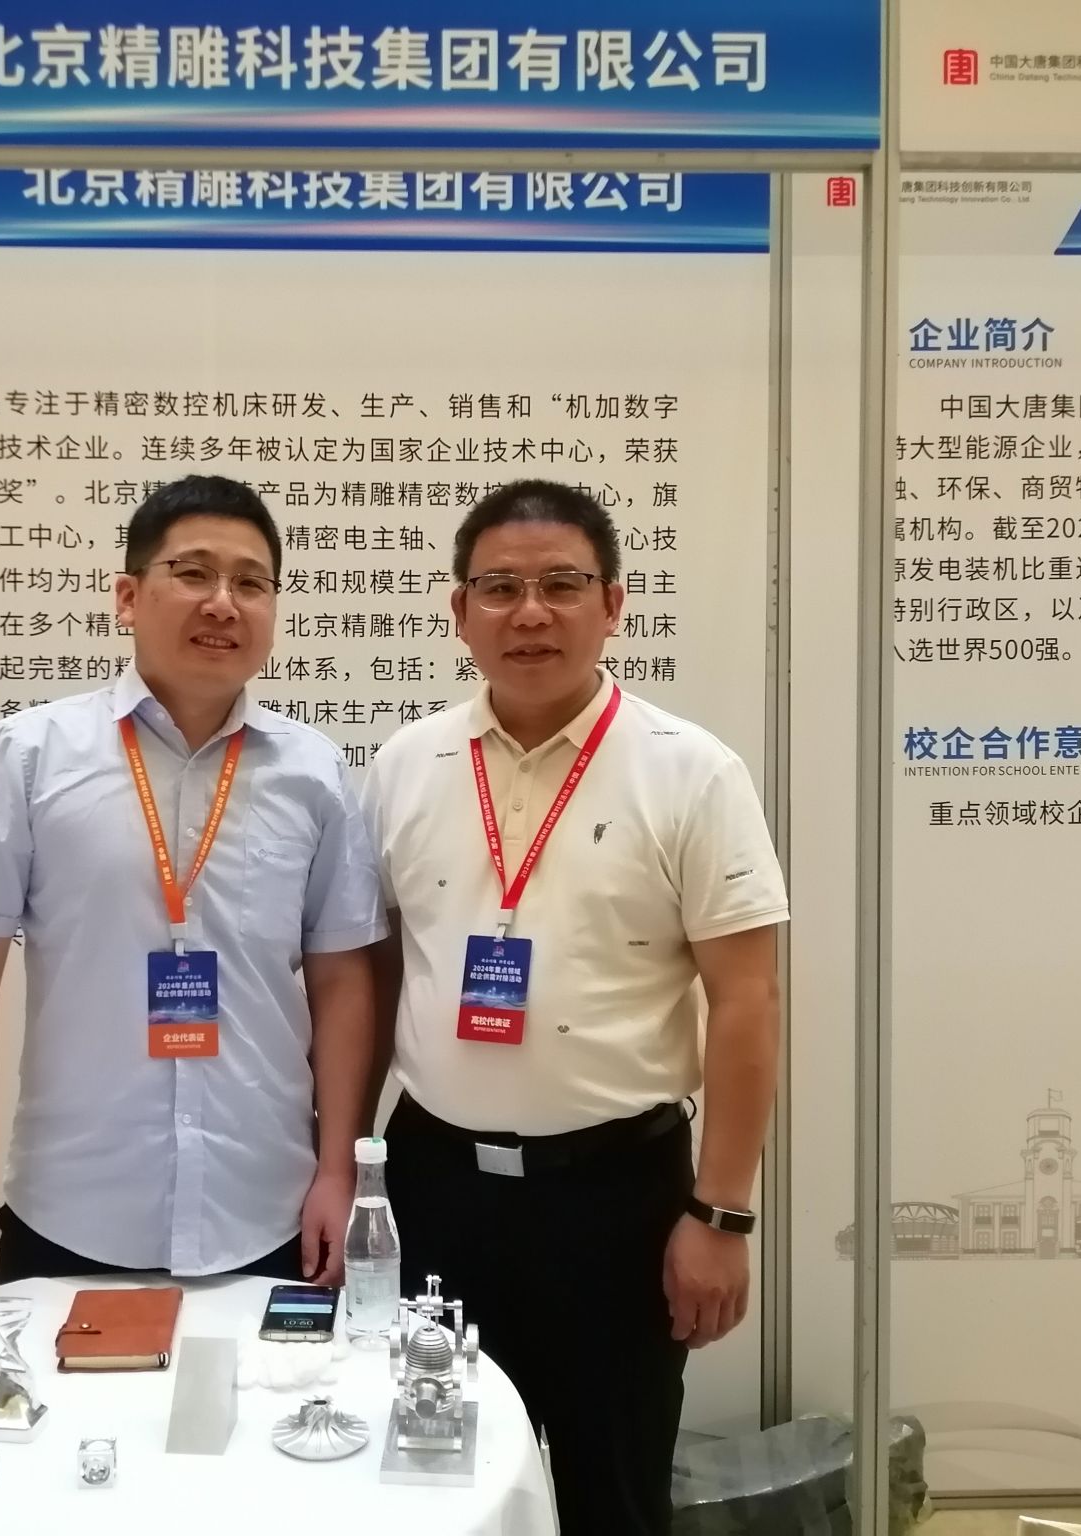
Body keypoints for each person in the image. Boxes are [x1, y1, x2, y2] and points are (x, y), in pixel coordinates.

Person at [363, 479, 788, 1536]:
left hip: (618, 1200)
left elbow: (747, 1000)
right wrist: (342, 1167)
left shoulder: (690, 772)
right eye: (499, 588)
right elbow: (375, 979)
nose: (530, 613)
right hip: (435, 1189)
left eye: (560, 585)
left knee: (615, 1494)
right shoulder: (406, 765)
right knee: (433, 1486)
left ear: (613, 604)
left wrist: (720, 1215)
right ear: (458, 611)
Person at [0, 475, 385, 1293]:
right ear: (128, 597)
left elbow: (342, 980)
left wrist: (338, 1171)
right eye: (193, 573)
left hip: (266, 1208)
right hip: (73, 1207)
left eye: (251, 583)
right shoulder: (31, 756)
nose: (223, 603)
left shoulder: (314, 773)